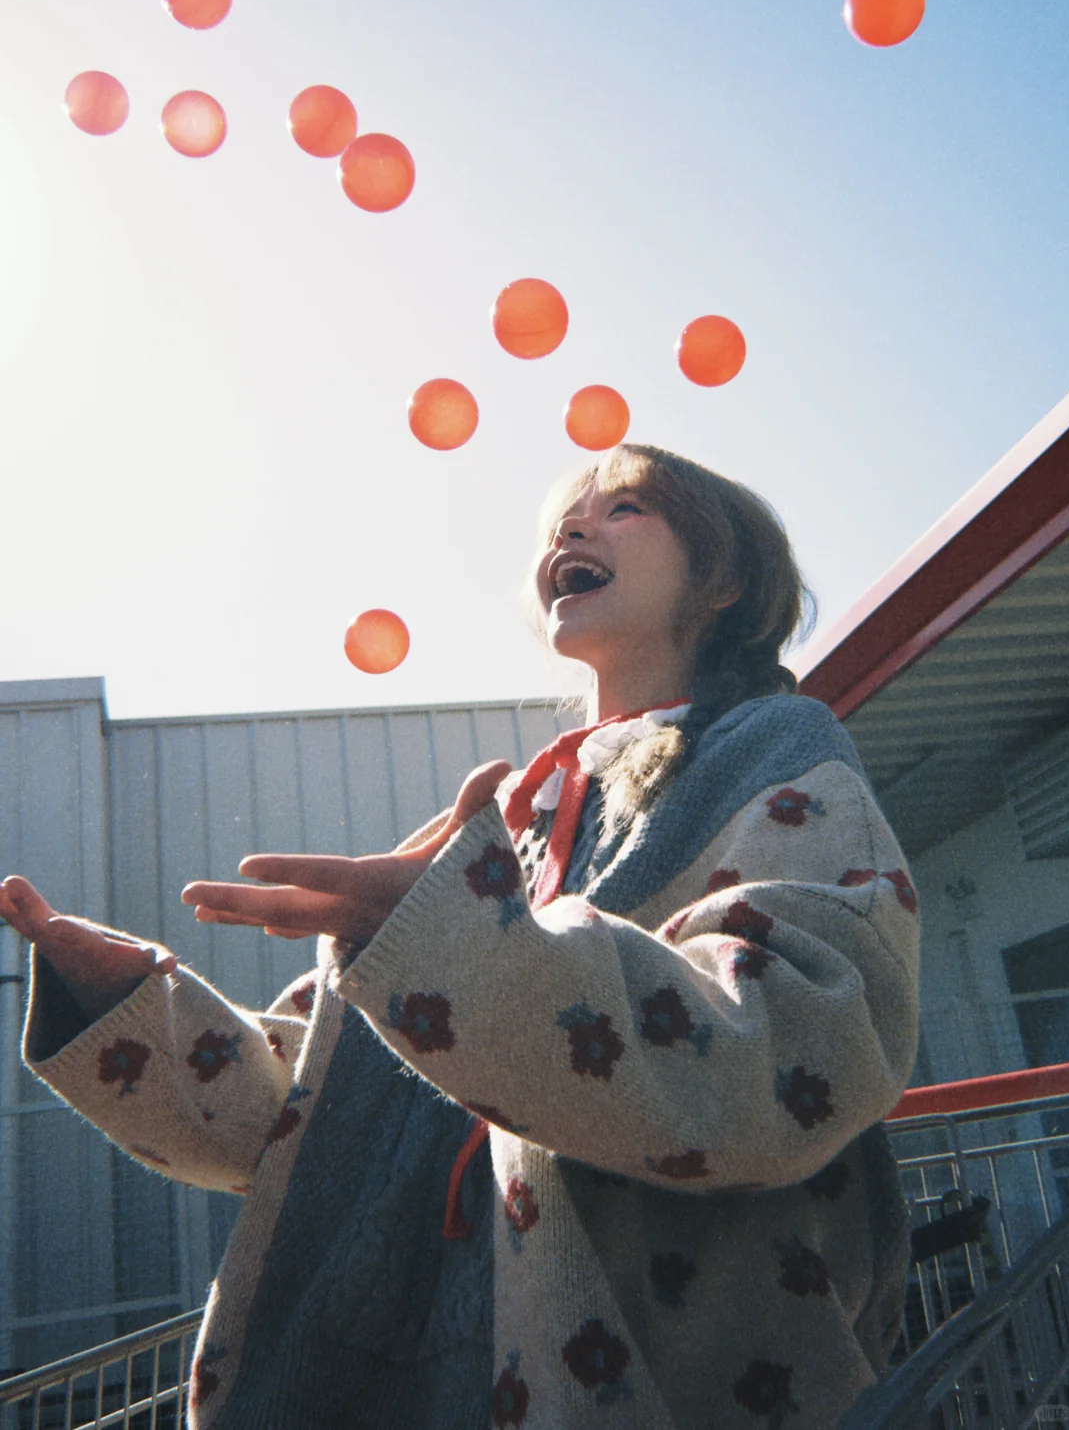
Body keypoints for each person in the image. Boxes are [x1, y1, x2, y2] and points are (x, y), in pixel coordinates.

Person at [2, 443, 920, 1430]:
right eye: (566, 517)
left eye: (628, 509)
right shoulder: (502, 827)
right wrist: (130, 1005)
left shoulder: (780, 750)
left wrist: (455, 947)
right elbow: (299, 1122)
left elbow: (797, 1044)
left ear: (728, 578)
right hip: (393, 1376)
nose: (573, 528)